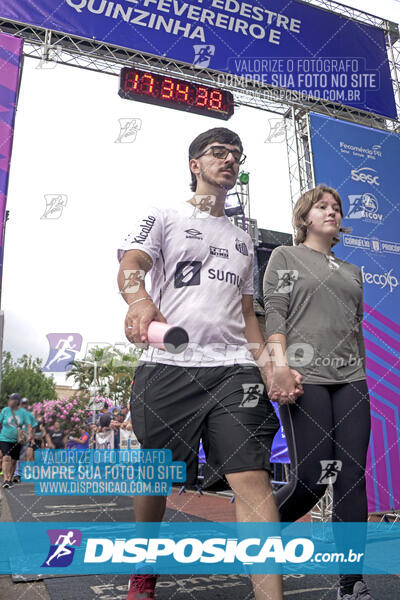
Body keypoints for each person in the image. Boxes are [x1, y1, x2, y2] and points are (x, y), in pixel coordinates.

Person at [117, 127, 303, 600]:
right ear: (195, 165)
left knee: (252, 478)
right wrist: (138, 300)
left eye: (236, 155)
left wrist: (269, 366)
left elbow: (247, 315)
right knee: (156, 476)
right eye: (218, 152)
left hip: (233, 371)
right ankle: (144, 563)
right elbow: (131, 262)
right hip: (170, 365)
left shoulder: (243, 240)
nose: (229, 160)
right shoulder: (164, 214)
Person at [263, 184, 372, 600]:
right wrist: (279, 364)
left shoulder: (352, 271)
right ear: (304, 217)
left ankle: (351, 582)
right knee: (310, 479)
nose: (332, 212)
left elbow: (354, 327)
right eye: (322, 206)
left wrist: (359, 371)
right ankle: (258, 533)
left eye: (337, 208)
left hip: (351, 380)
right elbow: (275, 310)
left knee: (351, 479)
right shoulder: (285, 256)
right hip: (304, 376)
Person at [0, 393, 32, 488]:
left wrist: (29, 434)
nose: (9, 401)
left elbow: (28, 425)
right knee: (6, 458)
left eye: (11, 399)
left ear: (17, 402)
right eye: (9, 399)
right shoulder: (5, 410)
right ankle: (5, 479)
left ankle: (10, 479)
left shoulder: (23, 412)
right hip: (4, 438)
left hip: (17, 440)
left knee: (14, 460)